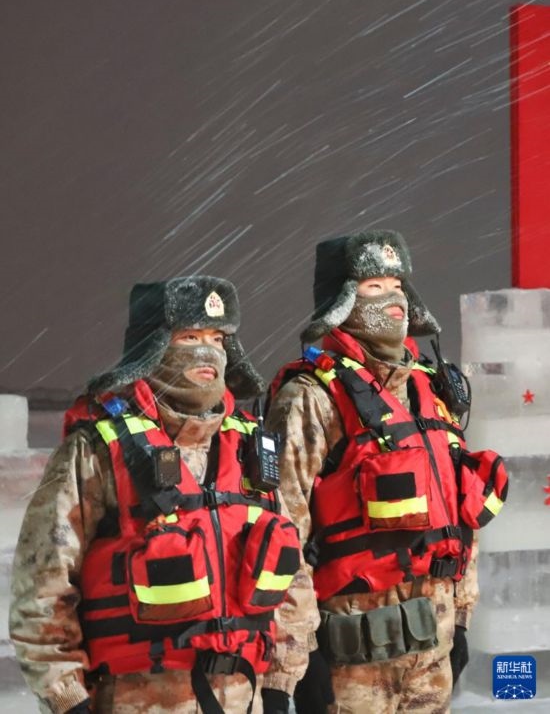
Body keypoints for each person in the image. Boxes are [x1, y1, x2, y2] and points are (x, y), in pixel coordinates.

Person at [10, 276, 319, 714]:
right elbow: (43, 587)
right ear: (153, 345)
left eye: (217, 338)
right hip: (135, 699)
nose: (207, 351)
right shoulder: (97, 448)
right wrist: (67, 698)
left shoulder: (250, 448)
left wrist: (280, 683)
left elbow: (293, 578)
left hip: (242, 698)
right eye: (189, 337)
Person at [266, 230, 508, 714]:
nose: (394, 299)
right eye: (374, 286)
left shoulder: (429, 391)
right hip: (351, 658)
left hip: (432, 651)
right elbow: (280, 532)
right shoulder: (310, 398)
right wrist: (294, 659)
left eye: (397, 285)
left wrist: (461, 618)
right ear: (342, 301)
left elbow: (460, 514)